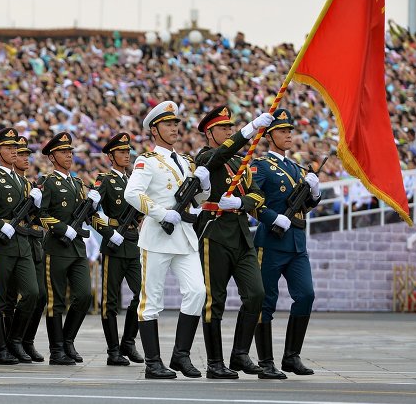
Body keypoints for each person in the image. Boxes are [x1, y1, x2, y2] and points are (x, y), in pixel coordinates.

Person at [123, 102, 211, 379]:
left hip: (184, 237)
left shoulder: (186, 161)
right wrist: (161, 213)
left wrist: (205, 185)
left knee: (197, 292)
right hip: (158, 238)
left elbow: (199, 199)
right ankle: (152, 362)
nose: (174, 128)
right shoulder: (146, 160)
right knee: (151, 301)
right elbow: (132, 193)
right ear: (154, 129)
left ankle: (180, 355)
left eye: (176, 124)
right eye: (168, 124)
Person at [194, 105, 272, 379]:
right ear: (209, 132)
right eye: (223, 128)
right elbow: (220, 154)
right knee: (214, 301)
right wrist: (248, 131)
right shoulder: (205, 157)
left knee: (256, 294)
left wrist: (241, 202)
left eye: (230, 127)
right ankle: (215, 362)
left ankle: (239, 352)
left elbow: (258, 195)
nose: (228, 131)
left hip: (240, 234)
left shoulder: (240, 162)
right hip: (214, 235)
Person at [251, 109, 322, 378]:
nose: (288, 134)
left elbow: (306, 205)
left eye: (290, 130)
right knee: (265, 302)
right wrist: (271, 218)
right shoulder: (260, 166)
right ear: (270, 136)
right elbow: (252, 200)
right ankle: (266, 362)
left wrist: (314, 192)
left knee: (306, 295)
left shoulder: (295, 168)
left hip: (296, 245)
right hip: (270, 242)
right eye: (282, 130)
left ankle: (291, 357)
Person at [0, 127, 39, 365]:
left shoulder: (23, 181)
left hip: (22, 243)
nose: (14, 151)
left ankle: (15, 340)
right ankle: (1, 349)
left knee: (32, 294)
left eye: (16, 148)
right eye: (9, 148)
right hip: (2, 245)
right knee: (1, 300)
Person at [38, 131, 100, 365]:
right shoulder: (47, 182)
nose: (68, 155)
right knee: (56, 301)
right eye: (63, 152)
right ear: (52, 157)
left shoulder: (76, 182)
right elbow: (41, 215)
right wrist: (62, 228)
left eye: (70, 152)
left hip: (77, 248)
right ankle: (56, 350)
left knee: (83, 295)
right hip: (56, 247)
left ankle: (68, 340)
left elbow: (88, 215)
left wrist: (93, 204)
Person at [92, 132, 144, 367]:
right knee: (110, 301)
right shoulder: (105, 180)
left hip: (132, 242)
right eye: (121, 152)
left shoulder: (134, 179)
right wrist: (107, 231)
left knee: (142, 294)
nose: (126, 155)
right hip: (114, 244)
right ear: (111, 156)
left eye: (128, 152)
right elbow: (90, 212)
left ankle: (128, 342)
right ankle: (113, 350)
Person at [12, 135, 45, 363]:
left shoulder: (29, 185)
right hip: (13, 242)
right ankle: (13, 340)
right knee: (23, 295)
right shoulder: (3, 180)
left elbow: (37, 218)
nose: (25, 158)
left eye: (27, 155)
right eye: (20, 154)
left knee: (40, 296)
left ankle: (26, 340)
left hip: (33, 242)